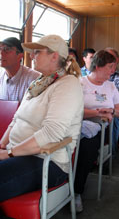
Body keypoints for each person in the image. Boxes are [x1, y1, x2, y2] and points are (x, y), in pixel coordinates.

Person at [0, 35, 84, 218]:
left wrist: (9, 153)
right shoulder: (38, 83)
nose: (32, 56)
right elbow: (16, 119)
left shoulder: (68, 84)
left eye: (37, 52)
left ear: (54, 56)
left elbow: (51, 134)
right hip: (19, 153)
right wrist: (1, 145)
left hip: (47, 161)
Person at [74, 50, 119, 212]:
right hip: (75, 124)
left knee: (87, 149)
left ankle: (76, 192)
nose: (112, 71)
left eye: (114, 67)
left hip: (97, 128)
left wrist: (108, 112)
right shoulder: (80, 83)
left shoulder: (110, 86)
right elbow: (73, 110)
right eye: (110, 67)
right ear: (97, 66)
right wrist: (98, 112)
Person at [0, 37, 40, 102]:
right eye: (0, 49)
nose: (1, 53)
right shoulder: (1, 77)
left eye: (7, 49)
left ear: (20, 56)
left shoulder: (34, 79)